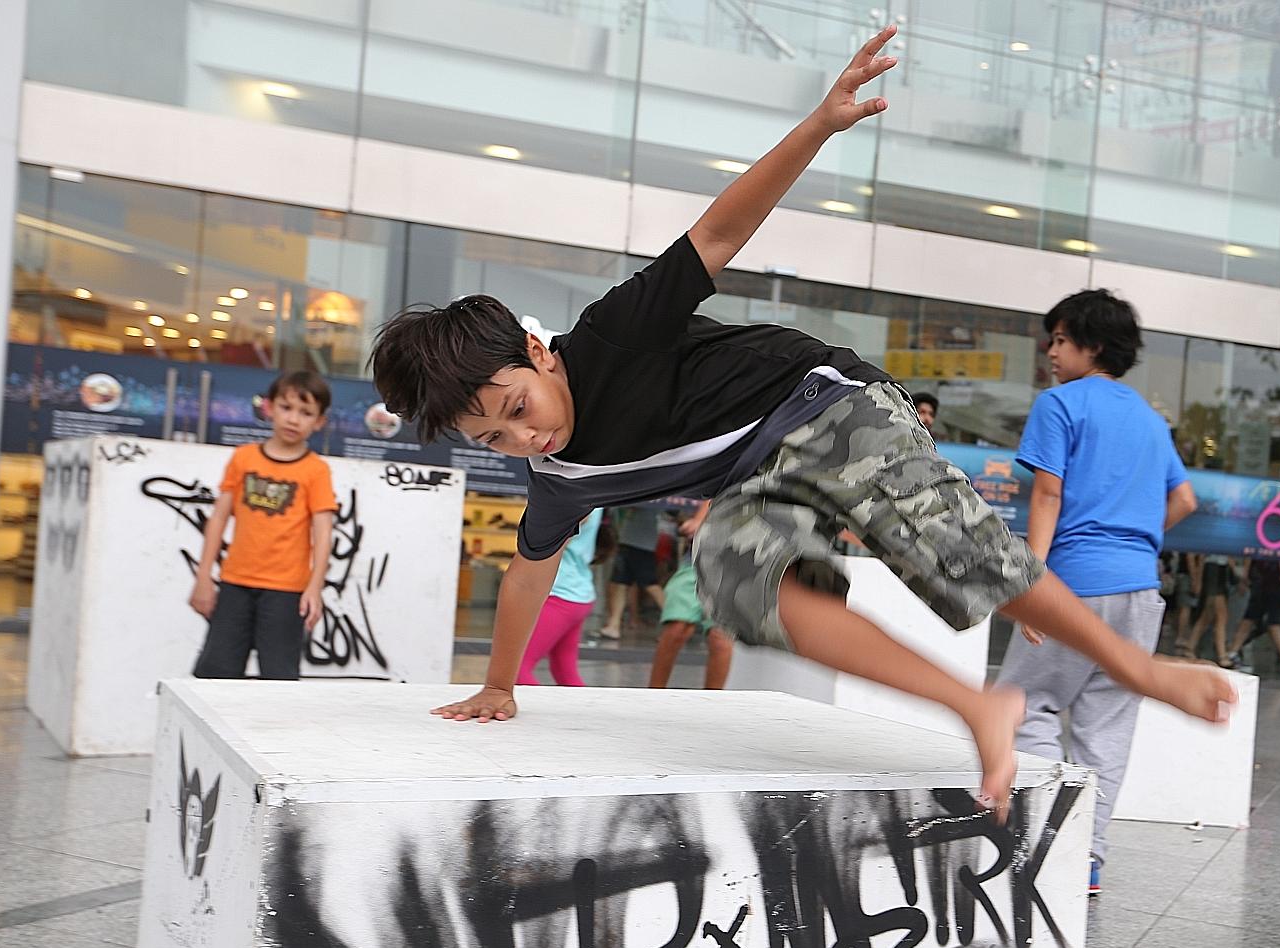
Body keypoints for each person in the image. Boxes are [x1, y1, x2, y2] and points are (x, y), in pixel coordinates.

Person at [369, 25, 1236, 816]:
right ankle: (978, 706)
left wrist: (821, 124)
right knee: (730, 571)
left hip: (830, 402)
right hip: (764, 476)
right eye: (495, 440)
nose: (526, 440)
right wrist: (500, 684)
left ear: (538, 351)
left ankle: (1140, 669)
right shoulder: (559, 475)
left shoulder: (612, 333)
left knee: (943, 540)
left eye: (518, 409)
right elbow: (529, 573)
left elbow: (718, 234)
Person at [993, 288, 1199, 893]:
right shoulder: (1150, 420)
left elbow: (1048, 494)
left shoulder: (1060, 404)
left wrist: (1029, 582)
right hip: (1139, 590)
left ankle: (1040, 836)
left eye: (1061, 340)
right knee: (1106, 725)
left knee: (1021, 704)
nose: (1051, 352)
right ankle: (1086, 857)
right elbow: (1184, 500)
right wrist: (1131, 541)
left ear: (1094, 345)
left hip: (1073, 585)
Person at [189, 371, 337, 679]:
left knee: (279, 679)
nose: (293, 419)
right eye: (286, 407)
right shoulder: (243, 458)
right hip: (235, 584)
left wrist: (315, 587)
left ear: (320, 421)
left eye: (306, 412)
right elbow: (219, 518)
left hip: (287, 591)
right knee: (216, 673)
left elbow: (323, 532)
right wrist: (204, 577)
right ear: (269, 407)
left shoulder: (316, 470)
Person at [649, 501, 734, 690]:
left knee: (719, 638)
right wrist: (698, 520)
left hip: (736, 561)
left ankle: (712, 701)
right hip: (701, 554)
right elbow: (717, 493)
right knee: (677, 627)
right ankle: (653, 694)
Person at [515, 509, 603, 687]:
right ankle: (588, 705)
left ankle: (537, 706)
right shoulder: (592, 498)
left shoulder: (577, 498)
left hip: (560, 592)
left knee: (516, 670)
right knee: (565, 673)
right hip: (574, 592)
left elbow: (549, 543)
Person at [1223, 559, 1280, 674]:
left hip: (1262, 578)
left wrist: (1246, 576)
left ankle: (1232, 653)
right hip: (1271, 580)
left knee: (1252, 617)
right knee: (1272, 618)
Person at [598, 505, 665, 640]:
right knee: (619, 582)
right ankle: (614, 624)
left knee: (650, 584)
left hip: (642, 543)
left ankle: (676, 620)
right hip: (629, 540)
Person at [1186, 554, 1235, 664]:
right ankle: (1222, 655)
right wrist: (1197, 579)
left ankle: (1190, 646)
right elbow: (1201, 556)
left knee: (1208, 615)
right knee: (1221, 615)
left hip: (1219, 568)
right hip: (1214, 568)